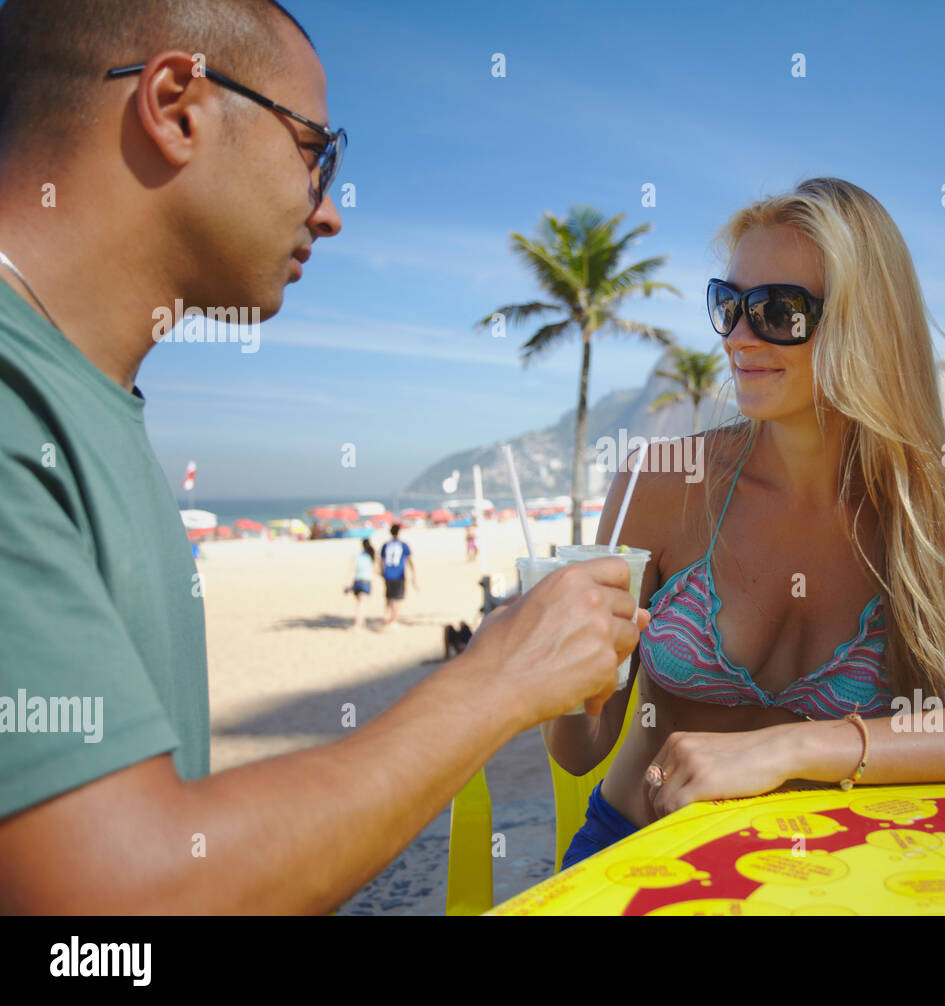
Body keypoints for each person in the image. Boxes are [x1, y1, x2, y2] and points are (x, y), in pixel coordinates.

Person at [0, 0, 647, 913]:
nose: (331, 212)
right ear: (179, 105)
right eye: (317, 152)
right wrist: (499, 676)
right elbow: (119, 904)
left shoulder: (78, 397)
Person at [542, 178, 945, 868]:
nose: (739, 338)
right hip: (639, 850)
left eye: (778, 312)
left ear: (864, 325)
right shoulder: (662, 479)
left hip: (837, 870)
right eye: (728, 306)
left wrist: (793, 746)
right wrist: (563, 667)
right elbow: (580, 752)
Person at [379, 523, 415, 628]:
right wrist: (413, 573)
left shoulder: (386, 545)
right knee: (397, 598)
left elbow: (381, 560)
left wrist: (382, 572)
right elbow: (410, 560)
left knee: (389, 597)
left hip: (388, 574)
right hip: (398, 574)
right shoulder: (403, 545)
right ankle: (393, 620)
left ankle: (386, 617)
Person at [343, 538, 378, 630]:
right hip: (366, 582)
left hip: (357, 581)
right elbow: (376, 570)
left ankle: (361, 623)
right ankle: (358, 624)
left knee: (359, 603)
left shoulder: (357, 556)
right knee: (362, 604)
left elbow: (351, 570)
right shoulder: (371, 557)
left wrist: (347, 584)